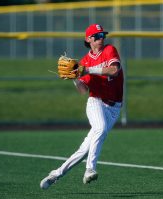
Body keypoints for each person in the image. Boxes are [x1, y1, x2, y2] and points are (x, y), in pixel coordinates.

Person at [40, 24, 123, 189]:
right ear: (88, 39)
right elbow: (83, 90)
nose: (101, 38)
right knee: (100, 128)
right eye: (97, 35)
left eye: (103, 35)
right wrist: (74, 77)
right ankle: (90, 169)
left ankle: (56, 174)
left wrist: (87, 70)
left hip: (114, 108)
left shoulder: (109, 50)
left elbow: (114, 70)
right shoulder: (84, 61)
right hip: (96, 102)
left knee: (84, 149)